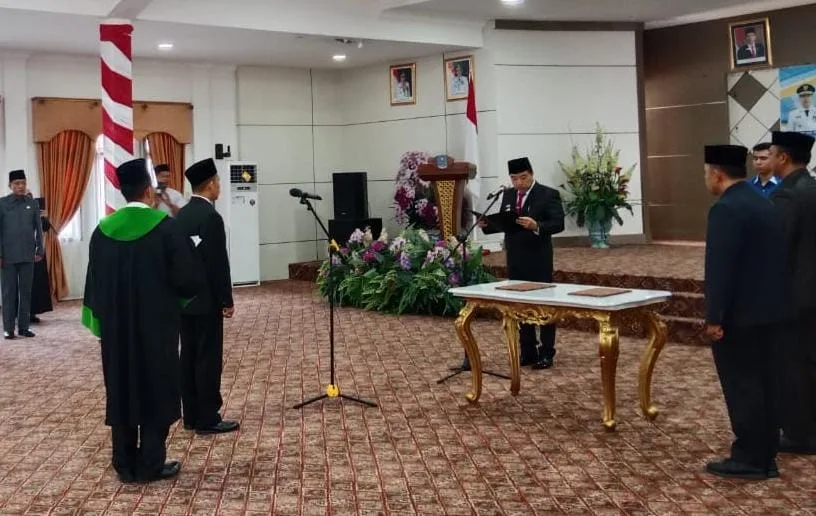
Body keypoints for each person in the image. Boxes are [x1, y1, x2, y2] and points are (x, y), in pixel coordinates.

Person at [82, 158, 201, 483]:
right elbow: (187, 280)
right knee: (156, 388)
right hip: (157, 329)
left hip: (117, 331)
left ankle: (123, 462)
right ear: (149, 191)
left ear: (123, 192)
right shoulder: (166, 228)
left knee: (121, 387)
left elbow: (94, 284)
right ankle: (150, 463)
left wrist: (101, 321)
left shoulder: (101, 232)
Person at [702, 144, 789, 480]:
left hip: (739, 316)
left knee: (743, 386)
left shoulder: (725, 209)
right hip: (770, 311)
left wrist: (715, 317)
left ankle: (750, 458)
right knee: (767, 384)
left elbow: (721, 269)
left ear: (717, 174)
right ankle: (766, 455)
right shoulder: (762, 202)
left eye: (706, 173)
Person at [479, 157, 565, 369]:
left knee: (544, 305)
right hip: (515, 257)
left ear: (531, 174)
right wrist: (487, 225)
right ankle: (528, 351)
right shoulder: (509, 194)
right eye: (514, 178)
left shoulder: (548, 194)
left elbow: (558, 223)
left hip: (538, 257)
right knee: (520, 304)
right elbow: (506, 223)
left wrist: (537, 226)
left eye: (523, 177)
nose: (519, 182)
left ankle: (546, 352)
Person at [175, 158, 239, 435]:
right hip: (206, 301)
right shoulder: (211, 217)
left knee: (188, 357)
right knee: (208, 359)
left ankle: (190, 415)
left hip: (184, 301)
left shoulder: (180, 215)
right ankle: (208, 417)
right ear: (211, 184)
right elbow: (217, 263)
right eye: (218, 182)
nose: (219, 186)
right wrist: (226, 300)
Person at [767, 130, 816, 455]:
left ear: (783, 157)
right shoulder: (812, 188)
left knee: (792, 366)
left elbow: (777, 249)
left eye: (771, 154)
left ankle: (799, 434)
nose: (768, 159)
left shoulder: (786, 196)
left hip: (795, 296)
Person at [0, 170, 44, 339]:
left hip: (28, 255)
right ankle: (9, 328)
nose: (20, 186)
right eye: (17, 183)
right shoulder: (2, 203)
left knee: (26, 292)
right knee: (9, 293)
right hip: (8, 257)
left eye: (23, 183)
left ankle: (24, 327)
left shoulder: (32, 203)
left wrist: (39, 249)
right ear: (10, 185)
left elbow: (38, 228)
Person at [29, 195, 52, 322]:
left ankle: (33, 313)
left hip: (37, 251)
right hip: (21, 253)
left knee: (37, 283)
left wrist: (44, 216)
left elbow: (46, 228)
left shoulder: (36, 213)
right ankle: (21, 314)